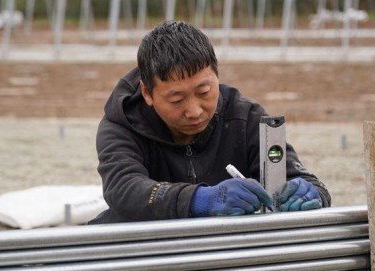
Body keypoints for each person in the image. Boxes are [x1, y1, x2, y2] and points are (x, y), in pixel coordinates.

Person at [88, 20, 331, 224]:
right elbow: (123, 190)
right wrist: (199, 200)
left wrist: (311, 193)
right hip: (144, 249)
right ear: (147, 93)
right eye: (176, 99)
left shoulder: (247, 118)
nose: (194, 111)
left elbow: (299, 179)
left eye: (204, 92)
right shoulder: (122, 125)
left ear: (217, 76)